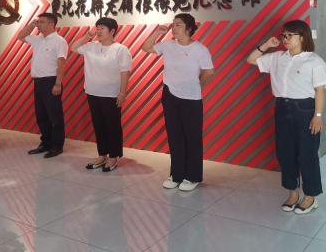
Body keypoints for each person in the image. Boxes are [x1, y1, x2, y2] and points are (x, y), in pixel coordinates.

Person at [246, 20, 326, 214]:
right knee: (285, 153)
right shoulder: (277, 57)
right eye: (284, 35)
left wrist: (318, 116)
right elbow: (251, 60)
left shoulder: (314, 61)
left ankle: (310, 196)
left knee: (307, 154)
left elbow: (320, 90)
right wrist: (267, 45)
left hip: (305, 109)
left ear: (302, 37)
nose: (285, 38)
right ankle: (293, 193)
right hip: (282, 108)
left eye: (290, 35)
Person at [141, 13, 214, 191]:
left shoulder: (200, 49)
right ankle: (177, 174)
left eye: (178, 25)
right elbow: (146, 47)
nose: (173, 28)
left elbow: (209, 71)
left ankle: (193, 176)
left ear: (189, 28)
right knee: (175, 136)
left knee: (192, 137)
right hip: (170, 94)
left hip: (191, 98)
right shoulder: (167, 45)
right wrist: (157, 32)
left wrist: (196, 85)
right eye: (173, 24)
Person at [71, 17, 132, 172]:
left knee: (112, 126)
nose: (98, 31)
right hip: (92, 92)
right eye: (97, 28)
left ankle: (113, 156)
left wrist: (122, 93)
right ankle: (102, 154)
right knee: (99, 125)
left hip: (111, 94)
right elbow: (73, 47)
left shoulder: (121, 49)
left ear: (112, 31)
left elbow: (125, 72)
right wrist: (87, 36)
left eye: (102, 28)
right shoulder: (91, 46)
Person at [17, 13, 68, 159]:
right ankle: (45, 143)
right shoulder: (38, 39)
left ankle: (57, 146)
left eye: (41, 22)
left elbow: (61, 64)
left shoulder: (59, 41)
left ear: (52, 24)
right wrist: (32, 25)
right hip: (38, 82)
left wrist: (58, 83)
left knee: (54, 116)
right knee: (41, 115)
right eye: (38, 22)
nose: (38, 24)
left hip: (51, 81)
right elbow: (20, 36)